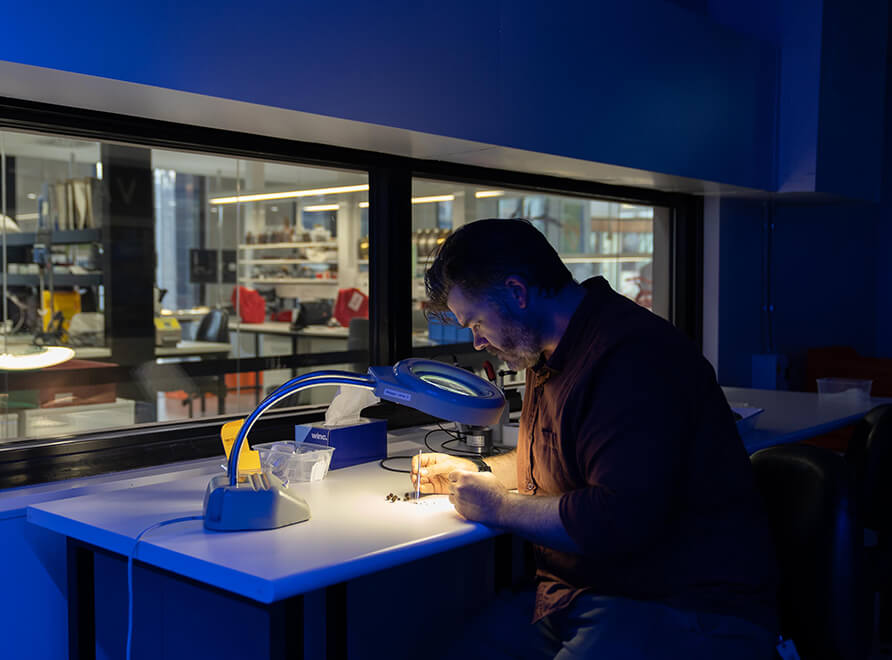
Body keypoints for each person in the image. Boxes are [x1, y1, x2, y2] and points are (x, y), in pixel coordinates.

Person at [412, 218, 779, 659]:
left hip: (676, 601)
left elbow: (616, 518)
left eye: (476, 322)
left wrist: (501, 507)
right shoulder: (546, 354)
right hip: (579, 591)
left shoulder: (632, 358)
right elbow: (552, 463)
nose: (477, 342)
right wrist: (477, 470)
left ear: (517, 292)